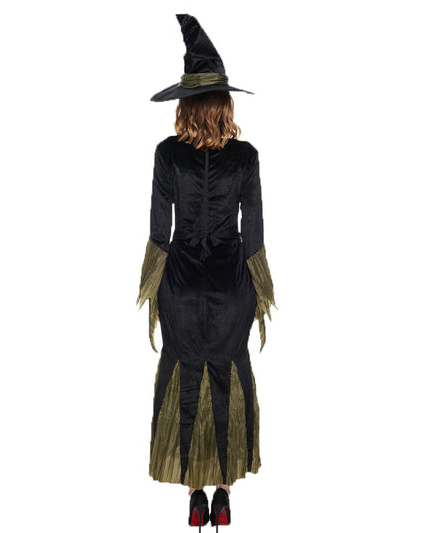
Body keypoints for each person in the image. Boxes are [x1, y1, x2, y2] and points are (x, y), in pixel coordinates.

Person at [136, 14, 276, 531]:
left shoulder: (166, 155)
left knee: (184, 375)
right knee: (229, 377)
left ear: (186, 104)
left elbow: (159, 234)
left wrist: (152, 293)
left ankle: (194, 495)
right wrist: (260, 297)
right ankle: (223, 495)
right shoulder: (247, 158)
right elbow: (253, 237)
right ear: (224, 104)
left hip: (180, 287)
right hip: (232, 287)